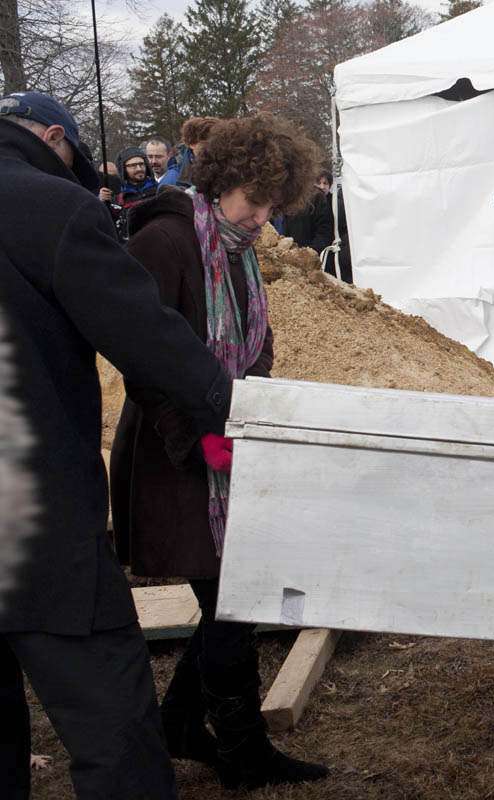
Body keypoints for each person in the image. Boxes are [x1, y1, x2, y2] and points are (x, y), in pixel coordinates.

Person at [0, 90, 234, 799]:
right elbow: (151, 339)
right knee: (110, 714)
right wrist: (237, 417)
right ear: (53, 137)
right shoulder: (50, 207)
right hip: (28, 515)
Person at [109, 113, 330, 791]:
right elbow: (141, 354)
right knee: (234, 598)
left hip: (229, 442)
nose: (265, 217)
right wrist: (198, 434)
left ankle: (181, 721)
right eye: (257, 202)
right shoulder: (168, 241)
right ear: (224, 181)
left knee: (234, 596)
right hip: (175, 455)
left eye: (273, 205)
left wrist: (252, 405)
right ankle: (243, 751)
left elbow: (255, 336)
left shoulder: (234, 246)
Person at [277, 176, 334, 258]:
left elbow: (325, 230)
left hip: (308, 257)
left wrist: (310, 253)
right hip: (289, 255)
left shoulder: (316, 196)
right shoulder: (285, 197)